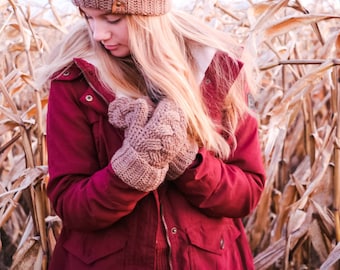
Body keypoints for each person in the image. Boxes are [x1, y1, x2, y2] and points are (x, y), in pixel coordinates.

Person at [41, 0, 266, 269]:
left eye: (112, 19)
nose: (99, 34)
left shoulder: (216, 73)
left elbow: (247, 192)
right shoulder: (76, 82)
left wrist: (188, 162)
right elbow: (70, 204)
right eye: (88, 17)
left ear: (150, 16)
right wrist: (130, 171)